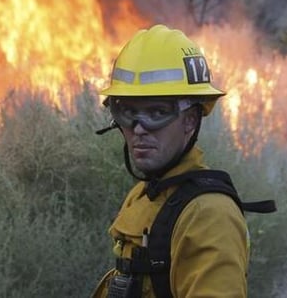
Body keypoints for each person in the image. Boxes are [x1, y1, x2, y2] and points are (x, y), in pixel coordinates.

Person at [90, 24, 274, 298]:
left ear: (189, 120)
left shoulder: (209, 215)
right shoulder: (145, 194)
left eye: (157, 112)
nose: (139, 129)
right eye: (127, 112)